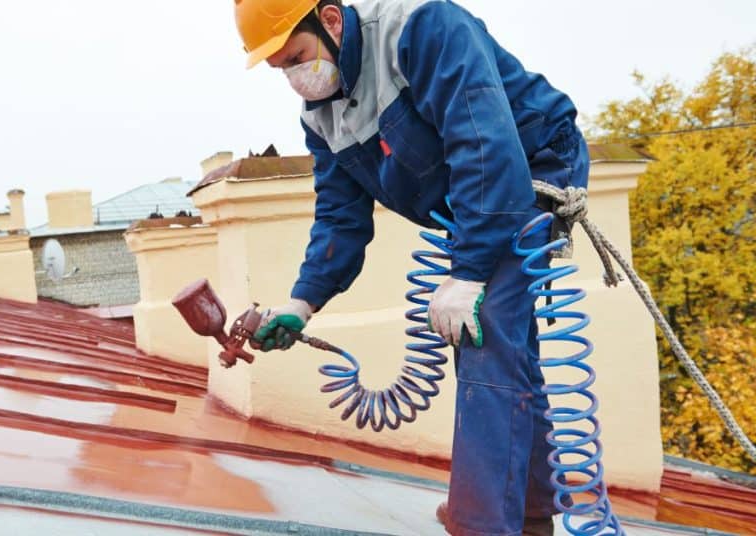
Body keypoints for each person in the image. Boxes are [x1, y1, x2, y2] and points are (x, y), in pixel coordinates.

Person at [235, 1, 590, 535]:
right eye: (281, 68)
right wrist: (301, 303)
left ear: (330, 20)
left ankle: (483, 523)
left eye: (298, 56)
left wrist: (469, 270)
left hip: (531, 165)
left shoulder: (420, 29)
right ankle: (527, 512)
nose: (295, 78)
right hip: (475, 195)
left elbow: (483, 142)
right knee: (503, 336)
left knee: (483, 323)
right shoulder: (321, 116)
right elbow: (339, 217)